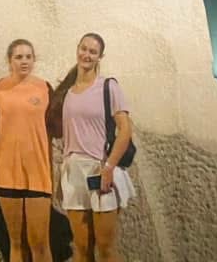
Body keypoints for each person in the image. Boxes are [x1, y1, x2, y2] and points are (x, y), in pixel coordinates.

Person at [48, 33, 134, 262]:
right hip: (74, 171)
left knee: (105, 248)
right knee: (81, 246)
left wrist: (108, 167)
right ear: (77, 49)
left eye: (92, 51)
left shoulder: (108, 86)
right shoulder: (66, 92)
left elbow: (125, 130)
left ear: (100, 57)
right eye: (83, 49)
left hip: (100, 169)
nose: (86, 54)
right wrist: (62, 176)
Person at [0, 39, 53, 262]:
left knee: (40, 243)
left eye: (28, 57)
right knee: (16, 243)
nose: (24, 61)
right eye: (18, 57)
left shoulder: (44, 88)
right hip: (6, 172)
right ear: (9, 60)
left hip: (38, 173)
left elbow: (55, 128)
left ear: (34, 60)